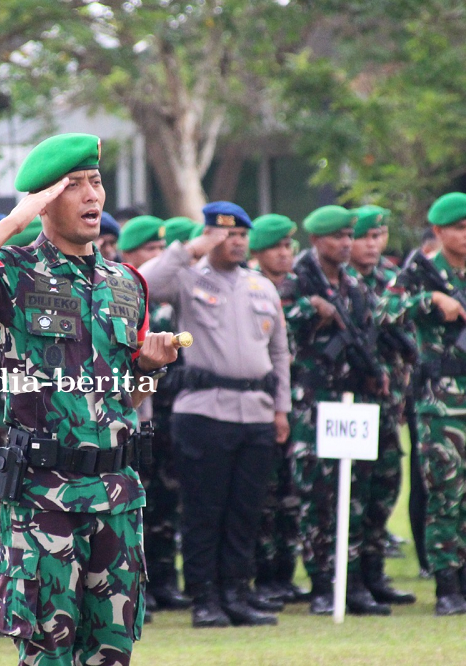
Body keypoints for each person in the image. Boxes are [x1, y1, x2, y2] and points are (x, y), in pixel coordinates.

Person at [0, 132, 177, 665]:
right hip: (44, 501)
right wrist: (14, 221)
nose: (92, 197)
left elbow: (124, 400)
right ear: (43, 200)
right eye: (74, 186)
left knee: (111, 654)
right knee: (47, 652)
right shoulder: (13, 272)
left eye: (96, 182)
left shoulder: (126, 283)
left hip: (117, 497)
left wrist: (149, 371)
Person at [143, 201, 290, 628]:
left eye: (242, 235)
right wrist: (190, 248)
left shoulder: (262, 286)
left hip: (257, 414)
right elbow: (145, 285)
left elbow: (279, 352)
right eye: (226, 235)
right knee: (205, 511)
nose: (237, 242)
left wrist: (282, 409)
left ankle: (236, 593)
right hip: (204, 414)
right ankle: (205, 598)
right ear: (208, 236)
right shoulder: (187, 279)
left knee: (246, 511)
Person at [380, 192, 466, 615]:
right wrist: (429, 302)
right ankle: (447, 587)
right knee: (446, 495)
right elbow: (382, 313)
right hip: (441, 404)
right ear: (439, 232)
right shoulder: (420, 276)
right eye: (461, 228)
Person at [280, 205, 388, 616]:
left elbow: (367, 334)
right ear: (316, 241)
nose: (346, 244)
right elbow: (280, 323)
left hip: (352, 400)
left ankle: (352, 580)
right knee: (318, 497)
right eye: (337, 238)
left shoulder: (355, 285)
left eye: (349, 236)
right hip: (314, 404)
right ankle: (323, 584)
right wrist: (312, 310)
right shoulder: (297, 281)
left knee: (355, 491)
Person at [344, 207, 416, 606]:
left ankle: (375, 574)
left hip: (387, 404)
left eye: (379, 236)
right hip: (350, 400)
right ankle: (348, 580)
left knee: (384, 489)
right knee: (350, 493)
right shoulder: (338, 282)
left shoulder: (392, 280)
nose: (373, 245)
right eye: (364, 237)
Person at [118, 215, 187, 612]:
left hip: (161, 418)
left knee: (163, 502)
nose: (157, 257)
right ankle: (140, 586)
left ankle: (164, 579)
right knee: (136, 504)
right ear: (129, 255)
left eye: (162, 250)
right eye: (150, 251)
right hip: (132, 417)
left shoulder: (167, 306)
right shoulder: (124, 299)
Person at [247, 214, 307, 604]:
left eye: (289, 246)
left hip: (299, 404)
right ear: (259, 251)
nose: (285, 254)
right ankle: (263, 576)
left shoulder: (303, 288)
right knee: (262, 497)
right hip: (261, 402)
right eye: (276, 247)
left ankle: (285, 573)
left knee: (291, 495)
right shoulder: (250, 288)